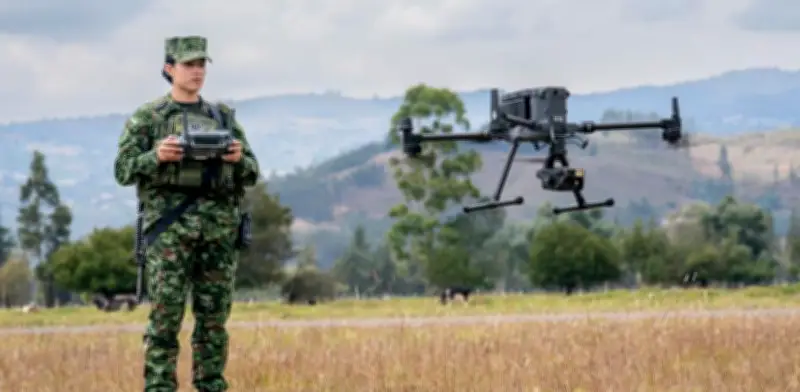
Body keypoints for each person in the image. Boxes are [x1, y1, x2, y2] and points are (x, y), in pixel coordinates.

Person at [113, 35, 260, 392]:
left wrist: (239, 159)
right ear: (169, 69)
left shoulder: (222, 117)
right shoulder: (149, 118)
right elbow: (123, 170)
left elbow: (253, 172)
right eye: (189, 65)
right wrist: (156, 156)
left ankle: (211, 384)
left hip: (218, 233)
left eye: (201, 65)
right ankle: (160, 387)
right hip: (169, 233)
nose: (197, 72)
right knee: (165, 320)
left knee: (213, 321)